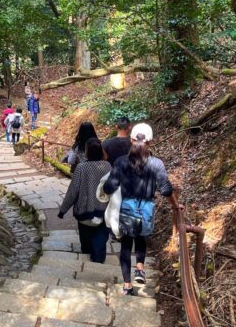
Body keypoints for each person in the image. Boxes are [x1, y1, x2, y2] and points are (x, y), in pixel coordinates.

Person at [103, 122, 184, 295]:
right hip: (146, 208)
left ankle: (127, 285)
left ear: (131, 140)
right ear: (151, 142)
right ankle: (140, 267)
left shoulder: (121, 162)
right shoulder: (156, 164)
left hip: (126, 207)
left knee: (125, 245)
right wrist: (175, 206)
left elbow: (109, 187)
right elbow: (166, 189)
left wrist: (110, 189)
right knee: (141, 237)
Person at [57, 138, 111, 262]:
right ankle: (98, 258)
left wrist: (63, 210)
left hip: (84, 211)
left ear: (87, 151)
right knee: (100, 237)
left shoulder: (81, 167)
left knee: (86, 242)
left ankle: (86, 259)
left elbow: (73, 191)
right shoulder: (108, 166)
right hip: (103, 209)